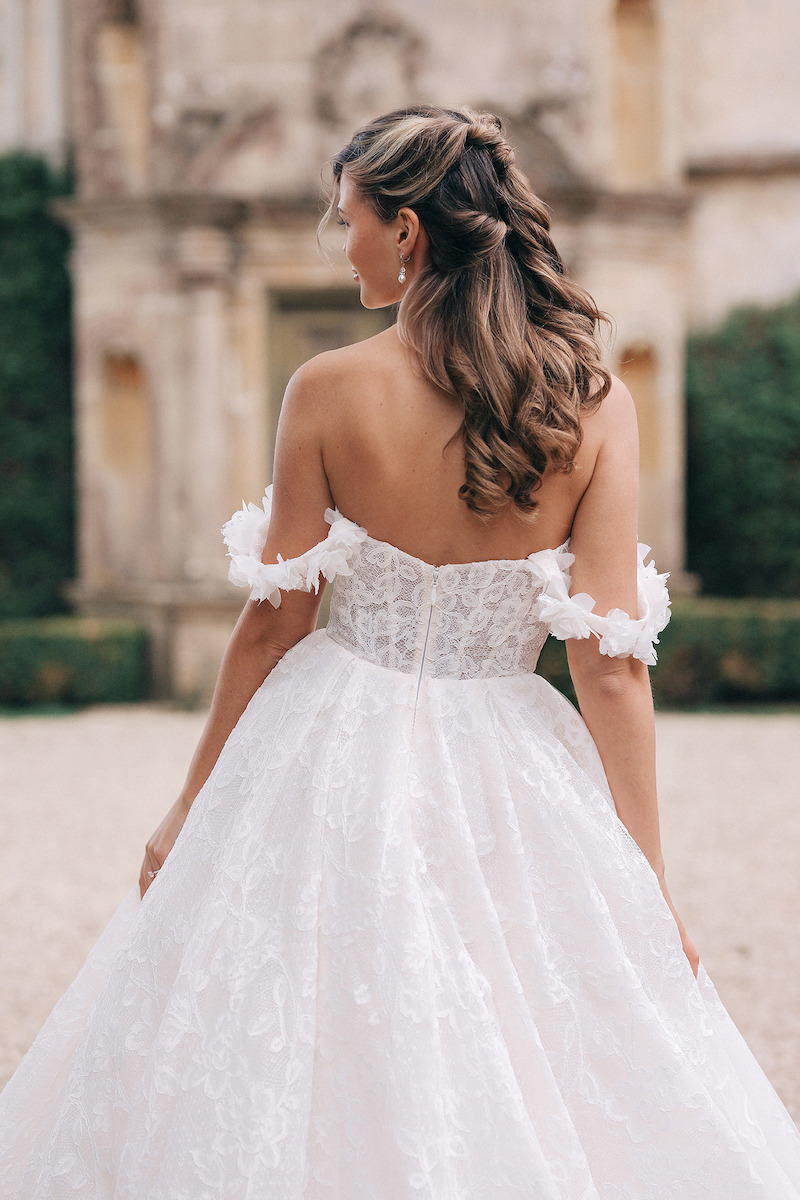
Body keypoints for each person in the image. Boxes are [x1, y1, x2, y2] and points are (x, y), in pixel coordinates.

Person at [1, 104, 799, 1200]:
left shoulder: (326, 388)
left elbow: (277, 617)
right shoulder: (591, 401)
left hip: (326, 746)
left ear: (410, 231)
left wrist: (191, 801)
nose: (344, 241)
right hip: (510, 753)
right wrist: (642, 884)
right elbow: (607, 661)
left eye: (351, 218)